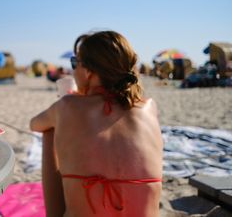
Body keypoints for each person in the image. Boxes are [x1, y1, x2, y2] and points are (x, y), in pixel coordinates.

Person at [30, 31, 163, 217]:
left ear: (88, 71)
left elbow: (34, 124)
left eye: (75, 62)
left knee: (49, 130)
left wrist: (67, 103)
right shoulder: (149, 106)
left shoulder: (66, 106)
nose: (73, 69)